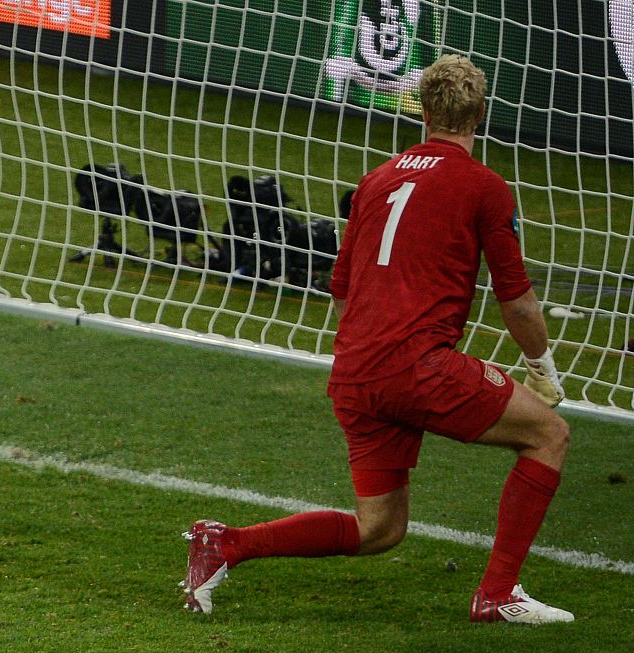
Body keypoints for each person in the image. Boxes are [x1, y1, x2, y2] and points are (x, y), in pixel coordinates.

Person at [181, 54, 573, 624]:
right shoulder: (484, 187)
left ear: (422, 112)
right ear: (480, 114)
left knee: (379, 528)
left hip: (357, 371)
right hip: (419, 368)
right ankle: (498, 594)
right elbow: (516, 299)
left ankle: (225, 544)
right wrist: (542, 368)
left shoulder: (376, 180)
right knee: (550, 435)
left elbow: (340, 293)